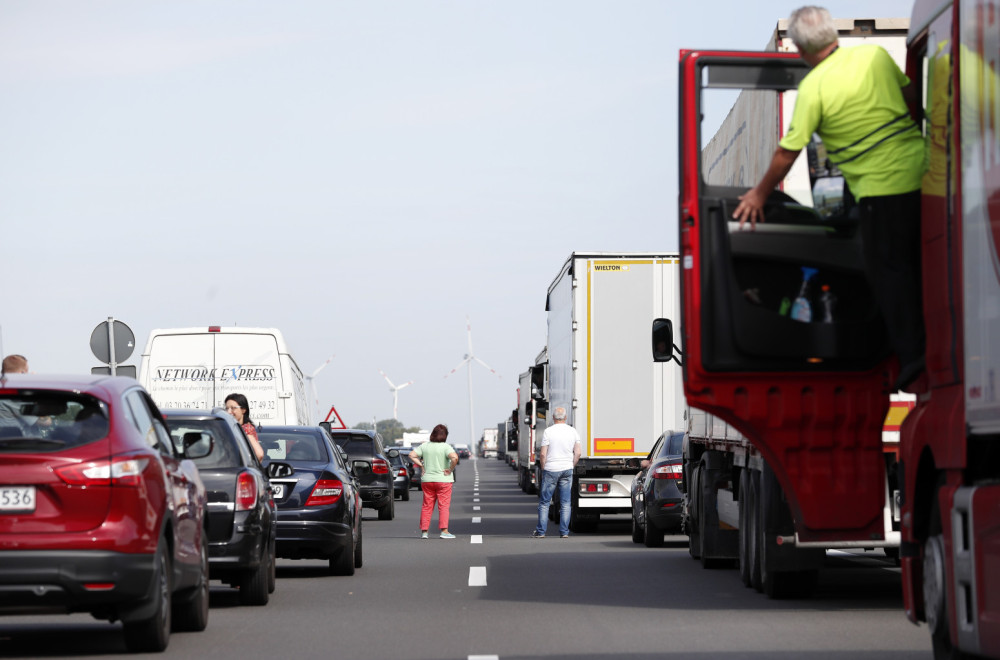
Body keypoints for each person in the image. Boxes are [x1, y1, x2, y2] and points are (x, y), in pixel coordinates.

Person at [731, 5, 926, 392]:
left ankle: (913, 362)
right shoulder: (874, 56)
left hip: (879, 190)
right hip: (924, 172)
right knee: (928, 265)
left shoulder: (814, 88)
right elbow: (912, 101)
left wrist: (758, 194)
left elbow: (788, 152)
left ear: (802, 51)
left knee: (890, 275)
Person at [533, 406, 581, 538]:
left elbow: (543, 454)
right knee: (566, 502)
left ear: (553, 418)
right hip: (567, 469)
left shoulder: (548, 432)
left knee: (545, 502)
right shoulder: (573, 431)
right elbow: (578, 452)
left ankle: (541, 532)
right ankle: (564, 532)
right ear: (565, 418)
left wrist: (543, 468)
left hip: (551, 469)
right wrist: (572, 465)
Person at [409, 424, 458, 539]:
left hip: (427, 480)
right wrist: (450, 469)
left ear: (433, 434)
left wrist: (421, 465)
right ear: (445, 436)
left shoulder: (425, 446)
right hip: (443, 481)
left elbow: (412, 455)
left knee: (427, 505)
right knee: (443, 506)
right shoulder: (446, 447)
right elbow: (455, 458)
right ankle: (444, 531)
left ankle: (424, 532)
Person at [224, 393, 264, 461]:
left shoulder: (246, 429)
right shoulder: (235, 428)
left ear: (243, 410)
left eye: (233, 408)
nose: (229, 412)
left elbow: (259, 454)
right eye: (227, 408)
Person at [0, 355, 33, 433]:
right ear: (21, 373)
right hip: (19, 442)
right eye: (26, 372)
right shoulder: (15, 394)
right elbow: (45, 422)